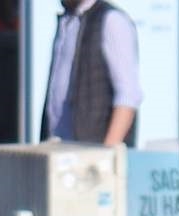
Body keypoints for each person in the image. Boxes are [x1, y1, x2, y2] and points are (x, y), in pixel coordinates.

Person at [42, 0, 141, 145]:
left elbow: (128, 96)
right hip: (59, 152)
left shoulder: (111, 20)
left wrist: (106, 154)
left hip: (92, 156)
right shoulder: (67, 22)